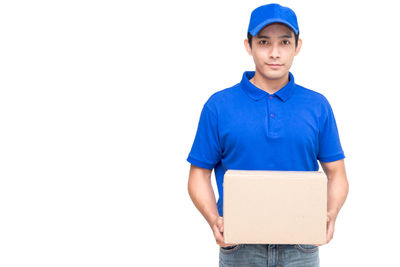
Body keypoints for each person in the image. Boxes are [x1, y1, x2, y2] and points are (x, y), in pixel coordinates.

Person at [186, 3, 349, 267]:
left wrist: (331, 214)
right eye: (264, 42)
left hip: (302, 245)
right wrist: (214, 219)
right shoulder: (218, 106)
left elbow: (337, 172)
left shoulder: (317, 106)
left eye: (284, 42)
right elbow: (198, 175)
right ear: (248, 46)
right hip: (239, 245)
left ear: (298, 46)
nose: (274, 53)